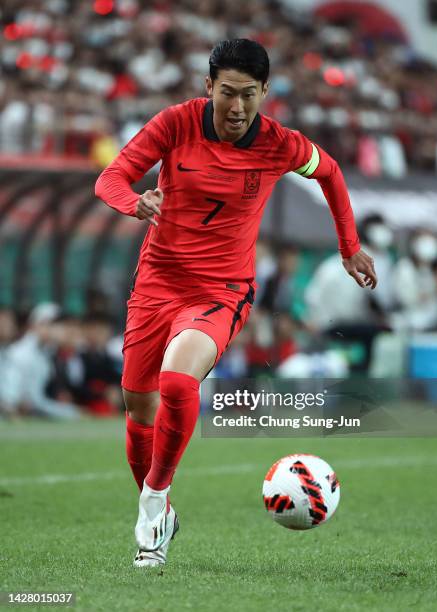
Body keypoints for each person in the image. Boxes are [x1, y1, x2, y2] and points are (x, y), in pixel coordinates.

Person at [94, 39, 377, 569]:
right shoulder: (174, 124)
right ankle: (161, 508)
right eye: (227, 93)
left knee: (177, 382)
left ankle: (154, 504)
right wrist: (135, 202)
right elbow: (109, 177)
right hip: (157, 282)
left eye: (249, 95)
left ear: (266, 92)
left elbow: (332, 174)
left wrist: (349, 247)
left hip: (221, 289)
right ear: (209, 88)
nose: (238, 107)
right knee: (138, 408)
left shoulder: (280, 144)